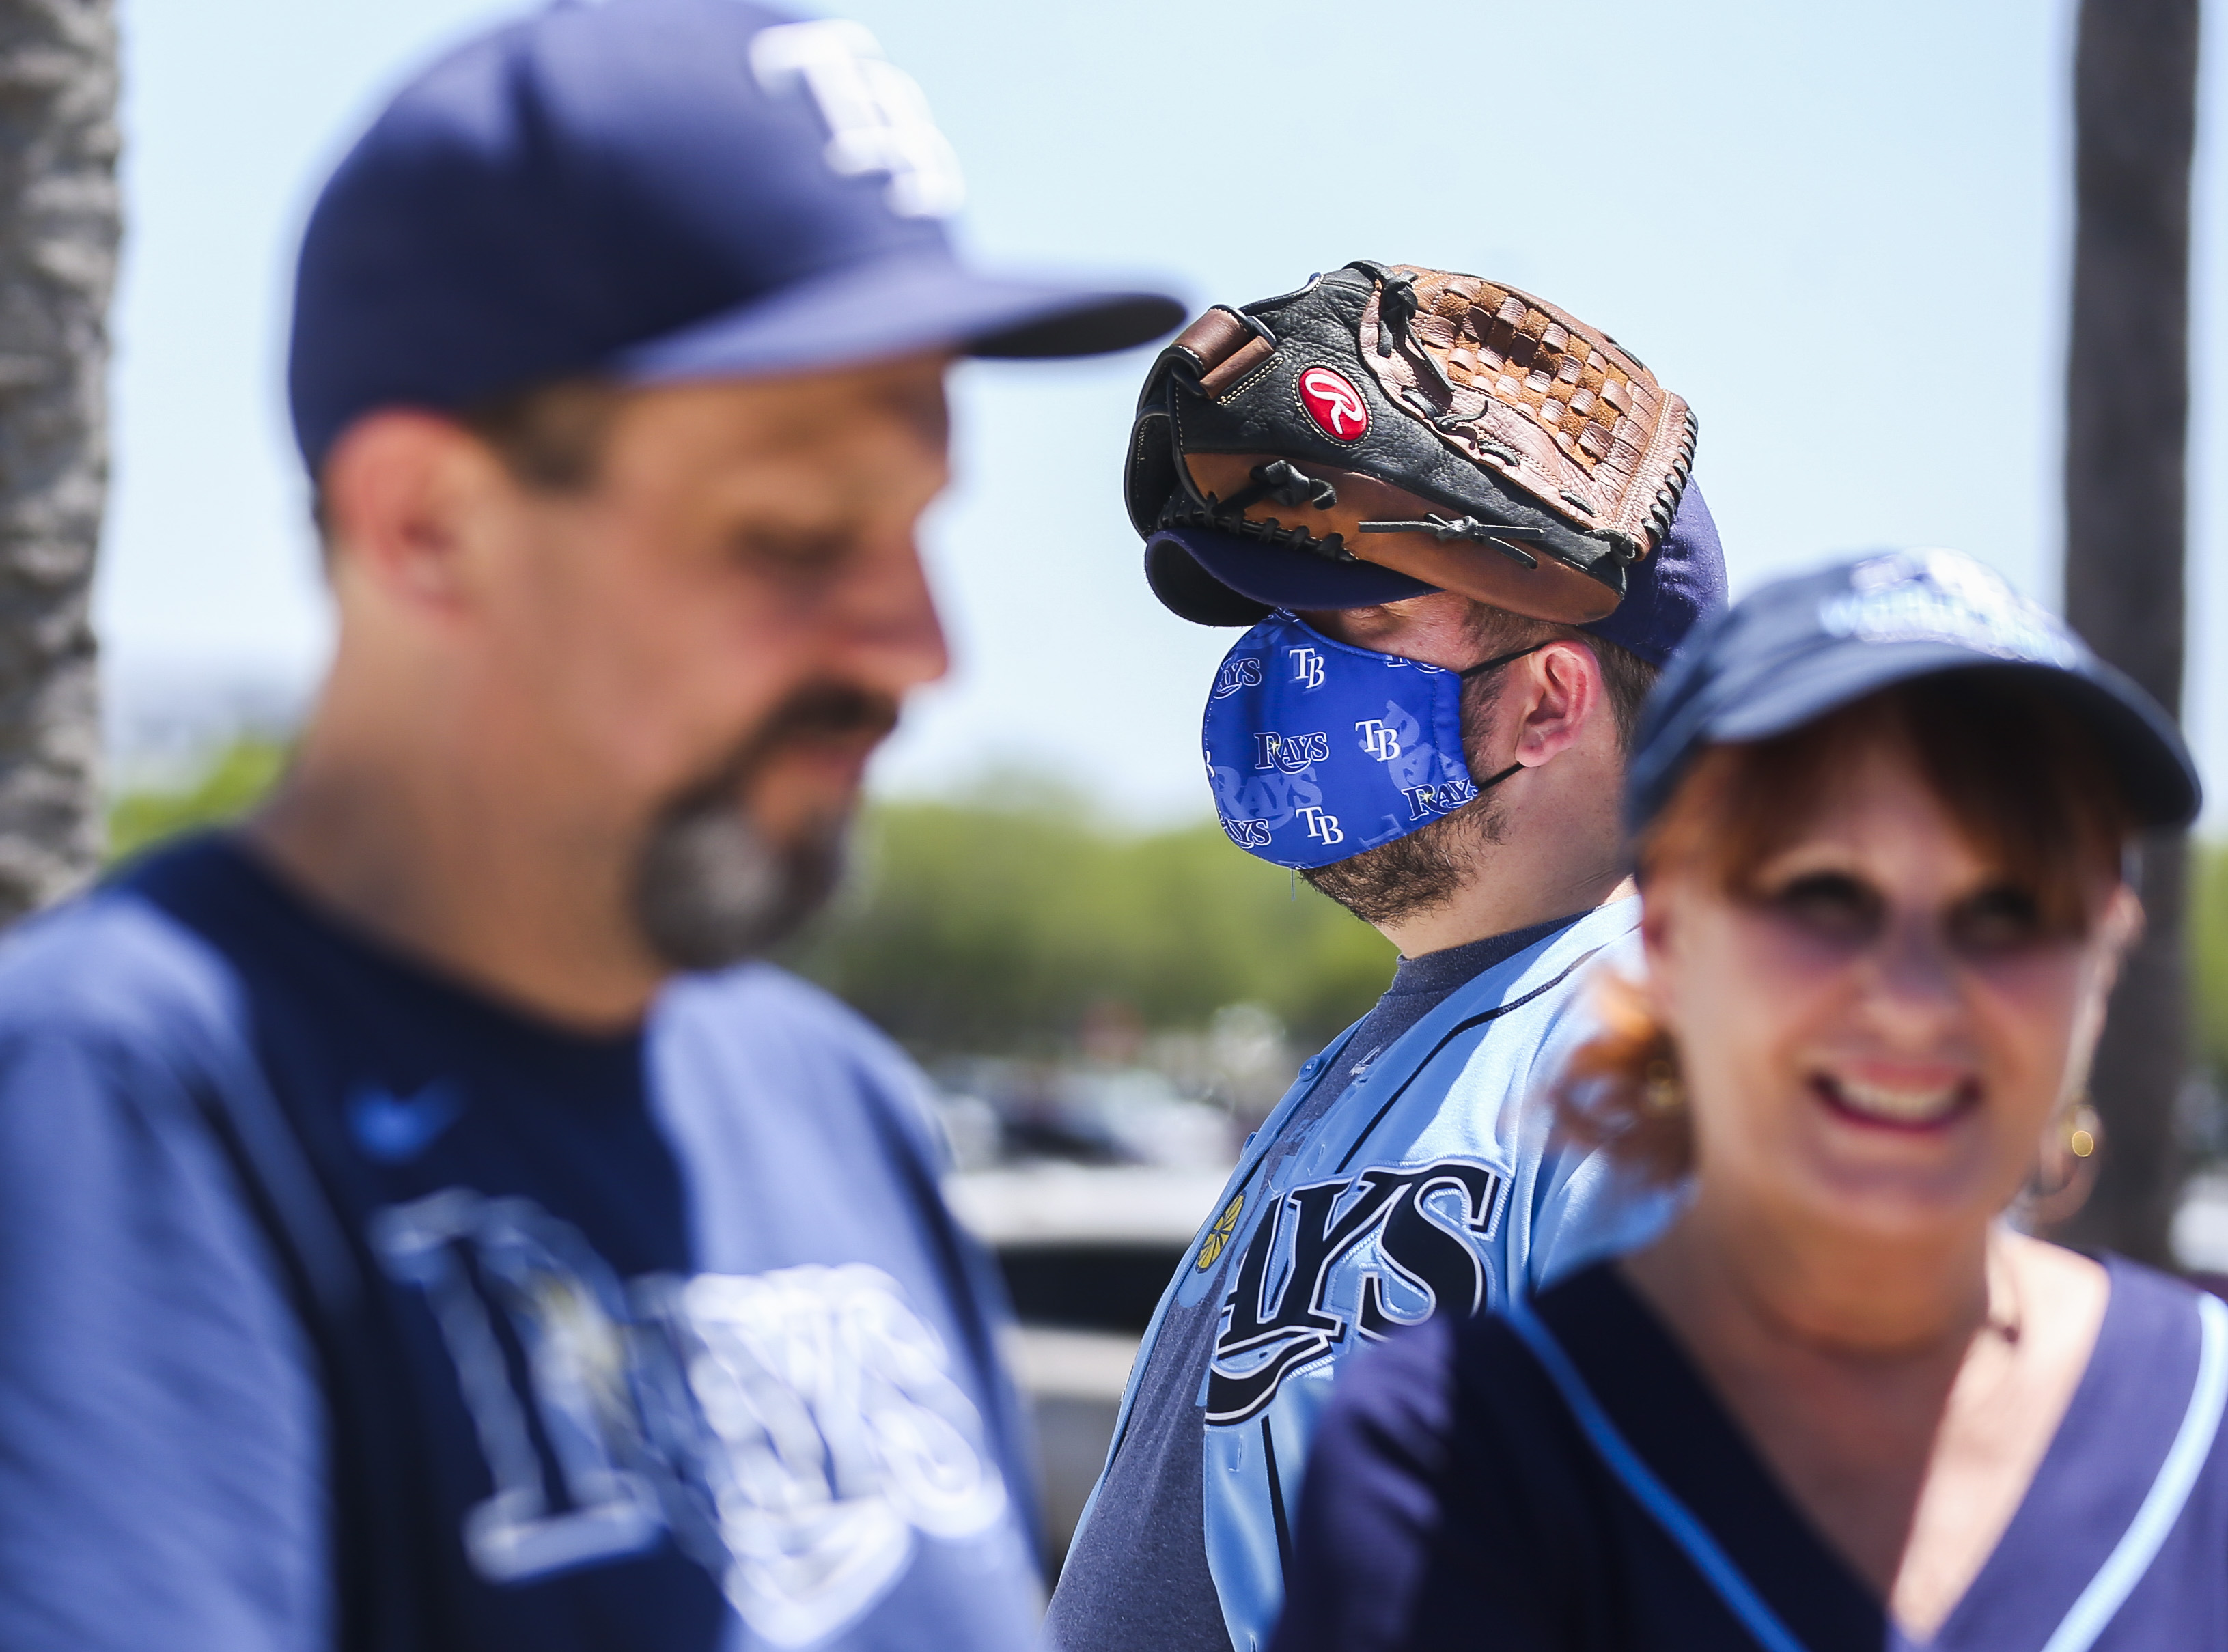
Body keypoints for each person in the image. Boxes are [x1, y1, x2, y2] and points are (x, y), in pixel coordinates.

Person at [0, 5, 1183, 1650]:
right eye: (794, 537)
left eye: (916, 530)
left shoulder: (832, 1102)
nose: (921, 649)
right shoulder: (116, 1109)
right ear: (425, 525)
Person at [1274, 548, 2220, 1651]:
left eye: (2008, 907)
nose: (1914, 1000)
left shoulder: (2208, 1416)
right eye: (1821, 894)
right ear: (1668, 933)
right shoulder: (1457, 1455)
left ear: (2106, 951)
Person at [1046, 262, 1727, 1652]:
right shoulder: (1415, 1045)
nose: (1276, 667)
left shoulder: (1658, 1067)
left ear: (1544, 701)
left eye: (1344, 620)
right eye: (1275, 622)